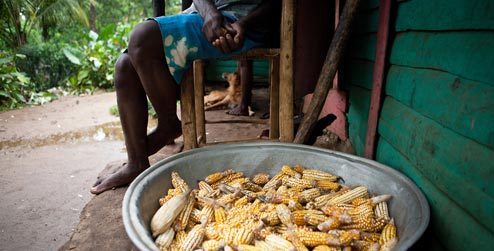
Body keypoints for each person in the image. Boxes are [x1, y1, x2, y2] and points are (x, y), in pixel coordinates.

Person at [90, 0, 280, 195]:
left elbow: (278, 4)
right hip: (204, 16)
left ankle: (168, 123)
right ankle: (136, 162)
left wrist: (243, 24)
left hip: (245, 25)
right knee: (124, 66)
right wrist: (209, 13)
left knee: (142, 36)